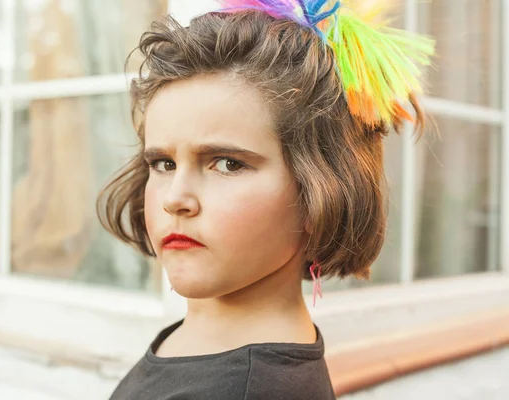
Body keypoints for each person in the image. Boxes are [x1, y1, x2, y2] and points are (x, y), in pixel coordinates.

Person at [97, 1, 434, 398]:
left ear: (321, 188)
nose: (175, 199)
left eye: (227, 163)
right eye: (163, 163)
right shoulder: (207, 341)